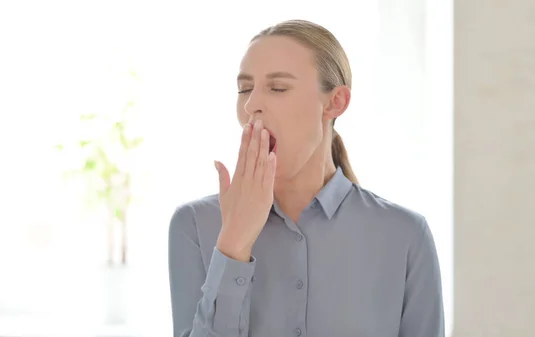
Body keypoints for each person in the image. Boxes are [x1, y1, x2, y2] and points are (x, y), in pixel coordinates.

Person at [168, 19, 444, 337]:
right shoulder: (194, 224)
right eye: (245, 88)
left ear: (335, 102)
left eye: (278, 88)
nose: (251, 104)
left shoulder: (405, 234)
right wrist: (233, 244)